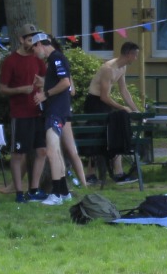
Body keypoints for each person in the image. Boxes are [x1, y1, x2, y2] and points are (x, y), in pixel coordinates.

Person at [32, 32, 84, 205]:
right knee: (57, 153)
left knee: (52, 152)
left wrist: (45, 94)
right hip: (56, 110)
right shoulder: (54, 60)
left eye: (34, 48)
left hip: (56, 111)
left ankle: (56, 194)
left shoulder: (56, 58)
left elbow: (66, 83)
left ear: (40, 44)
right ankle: (64, 191)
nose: (34, 53)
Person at [0, 25, 47, 201]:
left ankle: (34, 189)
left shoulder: (38, 58)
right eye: (29, 39)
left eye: (35, 39)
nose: (33, 43)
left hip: (38, 112)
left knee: (42, 151)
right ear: (21, 39)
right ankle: (18, 191)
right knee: (18, 154)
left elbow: (45, 79)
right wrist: (20, 89)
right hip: (20, 113)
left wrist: (42, 85)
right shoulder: (11, 61)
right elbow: (2, 89)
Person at [82, 40, 141, 181]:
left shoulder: (122, 68)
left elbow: (124, 90)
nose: (136, 58)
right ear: (128, 54)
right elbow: (103, 97)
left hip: (103, 103)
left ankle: (118, 173)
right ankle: (90, 174)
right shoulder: (108, 68)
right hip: (94, 103)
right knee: (96, 136)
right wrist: (122, 108)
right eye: (135, 55)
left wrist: (135, 109)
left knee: (116, 129)